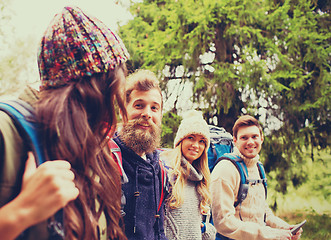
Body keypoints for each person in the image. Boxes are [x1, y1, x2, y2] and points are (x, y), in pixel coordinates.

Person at [0, 6, 129, 240]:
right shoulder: (6, 132)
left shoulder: (90, 143)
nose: (114, 113)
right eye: (109, 96)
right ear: (86, 95)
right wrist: (20, 213)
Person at [210, 115, 303, 240]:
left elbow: (262, 211)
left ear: (261, 139)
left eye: (254, 137)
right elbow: (223, 222)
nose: (250, 142)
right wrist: (269, 234)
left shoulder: (258, 167)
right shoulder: (225, 169)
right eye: (244, 137)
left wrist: (284, 228)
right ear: (235, 141)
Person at [112, 69, 167, 240]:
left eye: (154, 108)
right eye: (139, 105)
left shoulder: (159, 168)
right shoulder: (105, 159)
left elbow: (158, 229)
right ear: (122, 111)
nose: (147, 114)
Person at [160, 110, 217, 240]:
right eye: (190, 138)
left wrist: (204, 228)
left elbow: (198, 224)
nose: (196, 145)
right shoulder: (165, 171)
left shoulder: (201, 179)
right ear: (180, 140)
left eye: (202, 141)